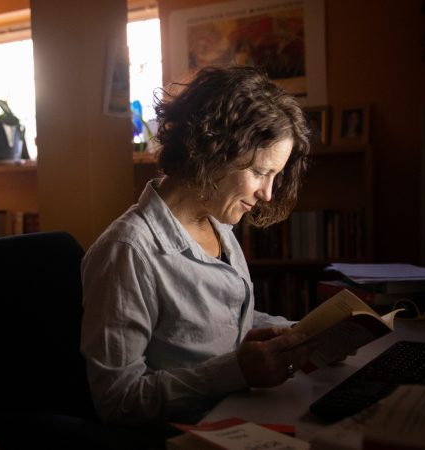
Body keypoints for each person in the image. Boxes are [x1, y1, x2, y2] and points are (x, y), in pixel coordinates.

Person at [80, 65, 314, 426]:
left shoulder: (218, 224)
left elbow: (222, 323)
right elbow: (117, 400)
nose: (267, 194)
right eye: (260, 173)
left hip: (241, 413)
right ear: (213, 150)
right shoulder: (128, 252)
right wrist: (236, 372)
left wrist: (309, 332)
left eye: (275, 177)